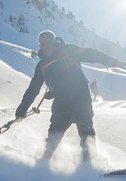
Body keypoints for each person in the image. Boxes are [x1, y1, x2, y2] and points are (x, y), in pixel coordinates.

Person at [15, 31, 95, 161]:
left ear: (54, 42)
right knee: (53, 138)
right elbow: (33, 89)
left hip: (81, 102)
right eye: (42, 44)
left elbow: (92, 54)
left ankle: (91, 166)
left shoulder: (69, 51)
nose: (45, 47)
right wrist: (22, 109)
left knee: (87, 136)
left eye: (48, 43)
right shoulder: (42, 66)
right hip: (61, 106)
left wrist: (114, 62)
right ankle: (47, 162)